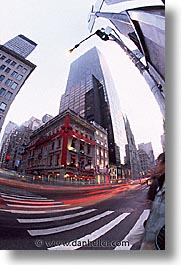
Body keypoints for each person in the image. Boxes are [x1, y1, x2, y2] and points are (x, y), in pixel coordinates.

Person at [141, 152, 165, 250]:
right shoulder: (160, 181)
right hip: (152, 235)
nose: (156, 164)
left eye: (158, 162)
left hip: (158, 240)